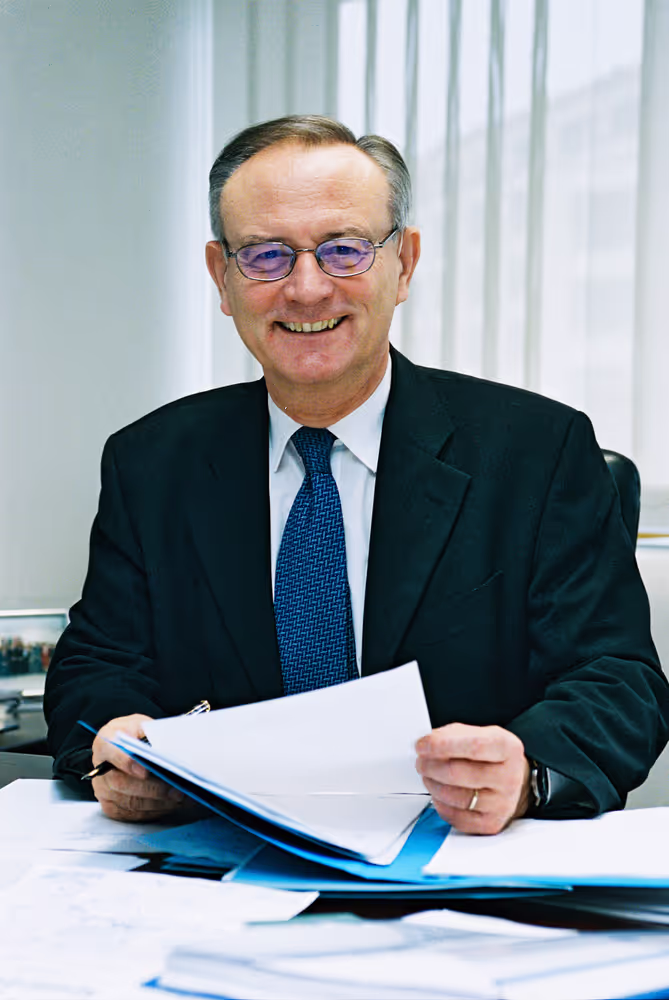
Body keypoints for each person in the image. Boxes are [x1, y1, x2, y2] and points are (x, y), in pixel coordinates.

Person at [45, 115, 669, 835]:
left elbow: (616, 679)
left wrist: (526, 771)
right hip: (215, 872)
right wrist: (115, 748)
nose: (307, 290)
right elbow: (96, 666)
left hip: (458, 870)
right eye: (267, 256)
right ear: (222, 277)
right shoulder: (151, 462)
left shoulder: (537, 450)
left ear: (402, 264)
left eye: (344, 251)